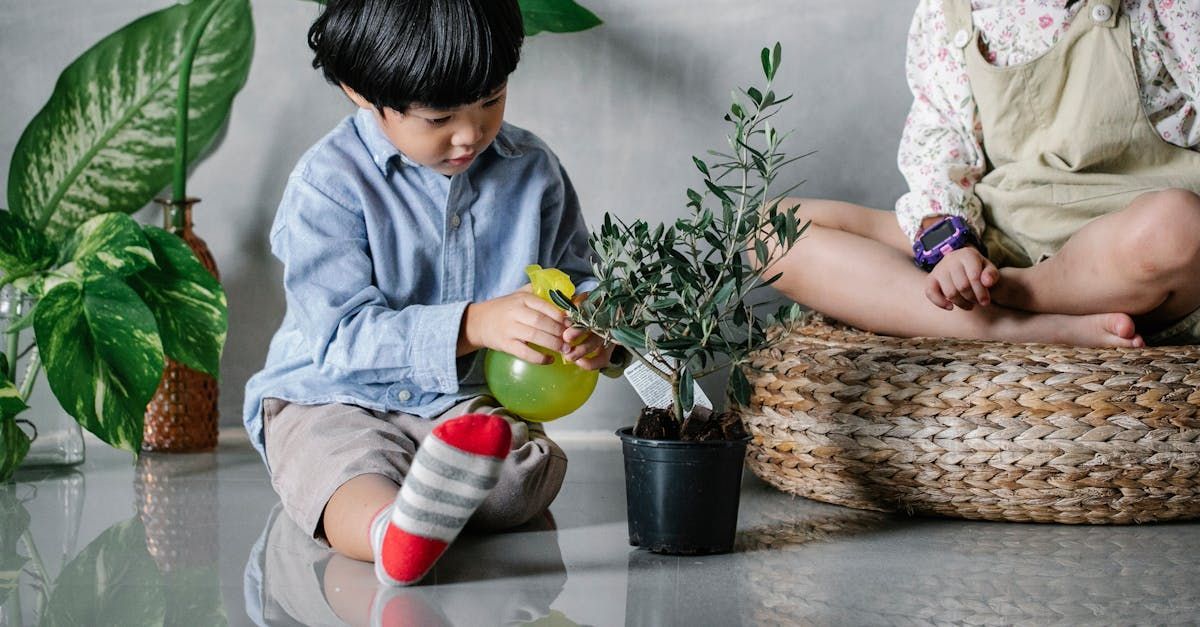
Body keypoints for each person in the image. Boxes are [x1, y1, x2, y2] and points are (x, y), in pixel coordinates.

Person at [242, 0, 617, 587]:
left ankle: (434, 493)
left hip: (459, 403)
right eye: (438, 117)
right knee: (337, 463)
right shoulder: (328, 186)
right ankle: (388, 530)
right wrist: (473, 325)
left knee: (522, 474)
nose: (470, 132)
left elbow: (578, 276)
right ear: (361, 92)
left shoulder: (533, 171)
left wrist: (591, 329)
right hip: (333, 394)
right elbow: (340, 339)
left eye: (491, 99)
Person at [769, 0, 1200, 348]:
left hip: (1124, 245)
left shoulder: (1161, 8)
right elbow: (940, 143)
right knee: (770, 230)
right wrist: (949, 247)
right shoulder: (951, 12)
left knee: (1179, 228)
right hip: (999, 234)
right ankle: (1017, 328)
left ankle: (1018, 295)